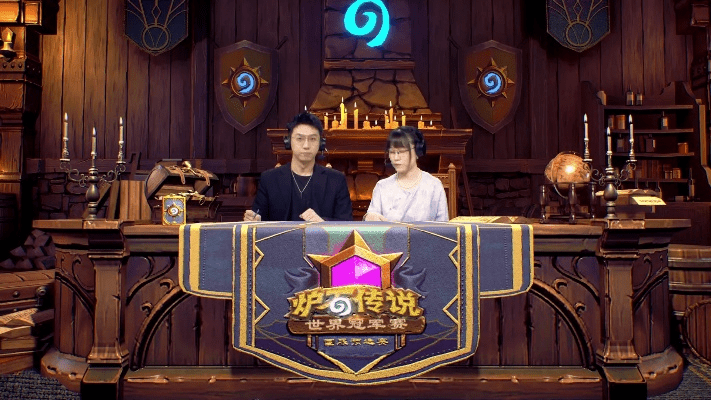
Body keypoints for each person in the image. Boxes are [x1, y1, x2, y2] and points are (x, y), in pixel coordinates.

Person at [244, 112, 352, 222]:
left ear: (321, 143)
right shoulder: (269, 179)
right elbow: (258, 217)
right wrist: (254, 220)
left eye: (312, 139)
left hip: (319, 234)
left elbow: (346, 224)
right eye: (300, 139)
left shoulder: (336, 180)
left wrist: (322, 223)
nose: (306, 146)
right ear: (288, 142)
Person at [364, 126, 448, 222]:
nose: (396, 158)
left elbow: (443, 227)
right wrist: (370, 217)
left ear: (417, 151)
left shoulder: (434, 186)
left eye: (401, 152)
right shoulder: (382, 187)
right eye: (392, 152)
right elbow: (372, 223)